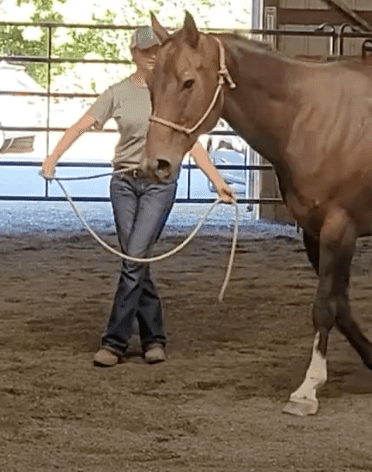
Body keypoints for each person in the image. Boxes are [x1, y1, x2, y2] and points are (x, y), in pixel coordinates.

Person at [41, 25, 237, 368]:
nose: (150, 55)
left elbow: (189, 143)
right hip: (122, 184)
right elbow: (80, 125)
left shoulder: (167, 90)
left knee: (133, 260)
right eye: (144, 49)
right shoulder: (117, 93)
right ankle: (153, 339)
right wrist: (52, 158)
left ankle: (114, 342)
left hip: (159, 185)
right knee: (136, 261)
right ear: (132, 52)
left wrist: (216, 180)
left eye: (155, 49)